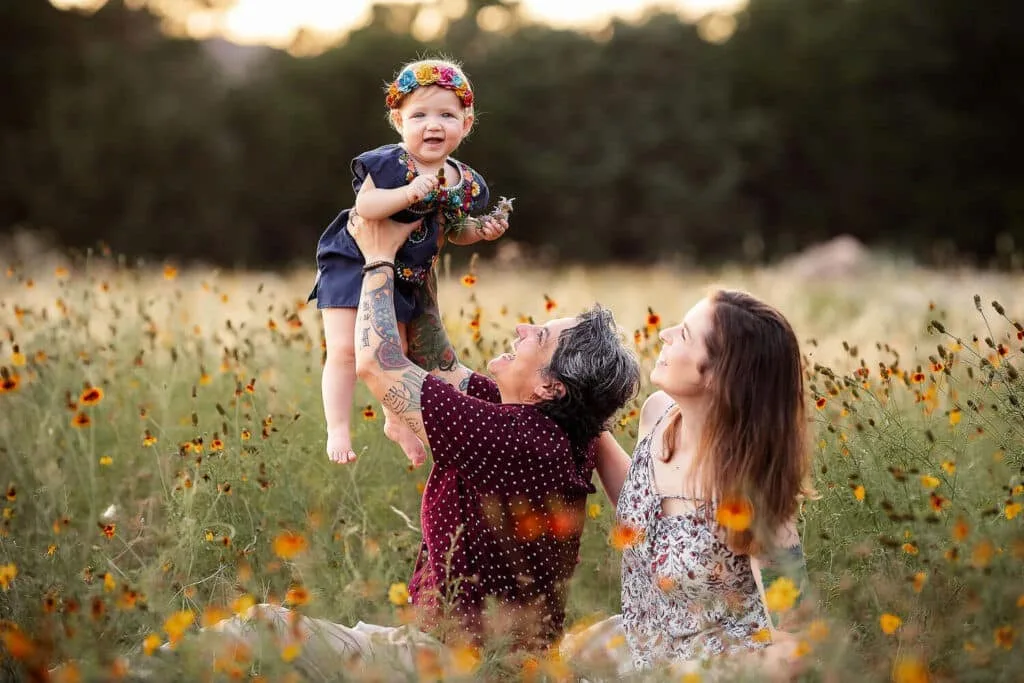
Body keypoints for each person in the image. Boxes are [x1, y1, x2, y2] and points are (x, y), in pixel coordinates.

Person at [176, 212, 640, 675]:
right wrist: (424, 245)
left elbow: (378, 364)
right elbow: (435, 360)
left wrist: (378, 260)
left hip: (461, 662)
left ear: (551, 388)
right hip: (467, 652)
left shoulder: (519, 439)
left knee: (258, 632)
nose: (521, 330)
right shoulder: (542, 425)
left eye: (538, 336)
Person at [562, 289, 814, 679]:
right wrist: (581, 420)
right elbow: (641, 507)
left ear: (717, 374)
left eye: (684, 334)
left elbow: (799, 644)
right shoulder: (659, 415)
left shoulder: (752, 500)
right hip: (638, 647)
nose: (665, 333)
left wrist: (701, 672)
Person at [307, 57, 513, 468]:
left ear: (466, 123)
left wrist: (481, 230)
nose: (432, 125)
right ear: (398, 120)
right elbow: (366, 206)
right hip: (353, 259)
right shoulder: (388, 163)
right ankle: (338, 428)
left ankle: (396, 420)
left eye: (446, 115)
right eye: (419, 114)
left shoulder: (465, 180)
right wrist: (408, 193)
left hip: (403, 274)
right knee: (347, 349)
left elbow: (453, 229)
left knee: (396, 351)